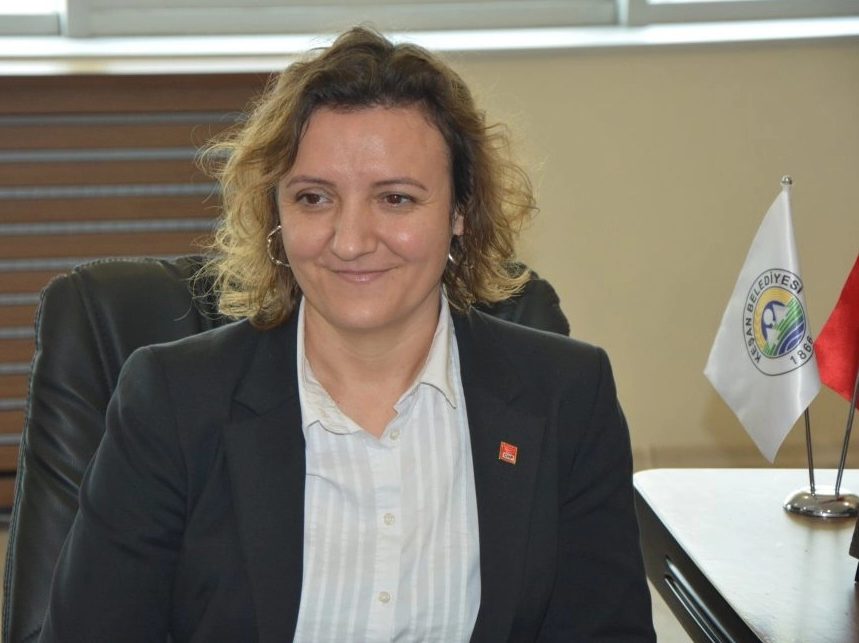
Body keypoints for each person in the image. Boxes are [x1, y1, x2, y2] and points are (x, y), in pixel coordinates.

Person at [40, 26, 655, 642]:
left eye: (396, 199)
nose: (351, 241)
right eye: (314, 198)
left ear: (461, 212)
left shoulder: (568, 397)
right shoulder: (171, 401)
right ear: (276, 213)